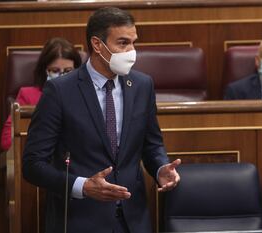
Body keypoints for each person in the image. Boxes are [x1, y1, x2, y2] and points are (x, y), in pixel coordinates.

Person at [22, 7, 181, 233]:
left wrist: (160, 168)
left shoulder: (142, 85)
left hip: (133, 221)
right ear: (97, 45)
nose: (132, 51)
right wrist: (83, 186)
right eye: (123, 43)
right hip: (80, 220)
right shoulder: (59, 91)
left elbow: (151, 144)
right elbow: (32, 165)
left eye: (134, 43)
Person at [0, 37, 82, 151]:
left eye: (68, 71)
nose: (62, 77)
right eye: (55, 70)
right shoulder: (28, 96)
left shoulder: (85, 95)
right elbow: (7, 141)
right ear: (45, 70)